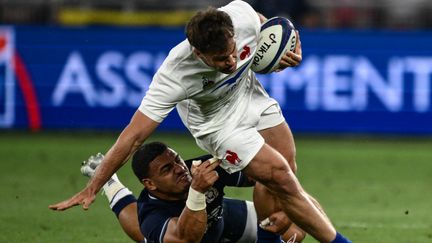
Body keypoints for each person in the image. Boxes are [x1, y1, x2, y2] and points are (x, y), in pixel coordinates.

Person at [49, 1, 351, 242]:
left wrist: (289, 47)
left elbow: (271, 26)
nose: (230, 62)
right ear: (198, 53)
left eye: (231, 52)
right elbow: (132, 137)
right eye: (220, 59)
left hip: (249, 95)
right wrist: (95, 184)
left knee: (285, 175)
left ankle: (267, 236)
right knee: (280, 175)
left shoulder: (241, 17)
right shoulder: (174, 75)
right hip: (217, 125)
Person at [80, 142, 304, 242]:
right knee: (142, 234)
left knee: (295, 227)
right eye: (167, 169)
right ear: (150, 184)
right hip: (181, 233)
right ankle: (110, 182)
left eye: (177, 159)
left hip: (221, 219)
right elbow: (186, 238)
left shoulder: (200, 167)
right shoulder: (151, 214)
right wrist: (197, 191)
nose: (180, 169)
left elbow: (265, 176)